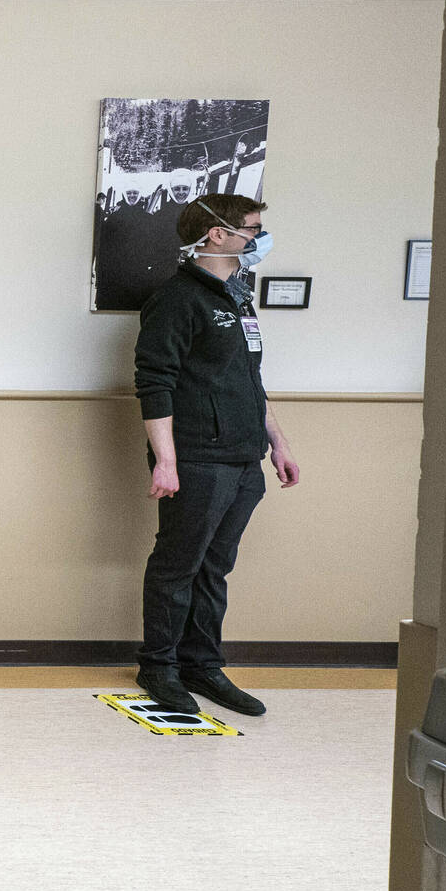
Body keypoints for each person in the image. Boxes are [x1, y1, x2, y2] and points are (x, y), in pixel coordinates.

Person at [132, 193, 300, 718]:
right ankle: (159, 667)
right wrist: (166, 461)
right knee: (177, 566)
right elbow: (154, 382)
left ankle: (202, 664)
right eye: (252, 229)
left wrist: (278, 443)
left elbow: (249, 379)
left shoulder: (238, 296)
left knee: (214, 568)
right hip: (197, 459)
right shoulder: (178, 298)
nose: (259, 238)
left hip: (243, 460)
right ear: (217, 234)